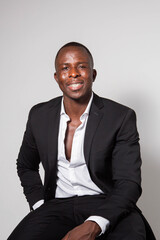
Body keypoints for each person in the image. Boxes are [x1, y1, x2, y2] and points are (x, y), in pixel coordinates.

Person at [8, 42, 156, 240]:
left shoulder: (120, 117)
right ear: (57, 78)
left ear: (93, 74)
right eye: (65, 68)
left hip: (107, 202)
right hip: (56, 206)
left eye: (81, 66)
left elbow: (128, 183)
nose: (73, 73)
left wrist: (94, 224)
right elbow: (26, 165)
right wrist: (40, 206)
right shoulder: (39, 115)